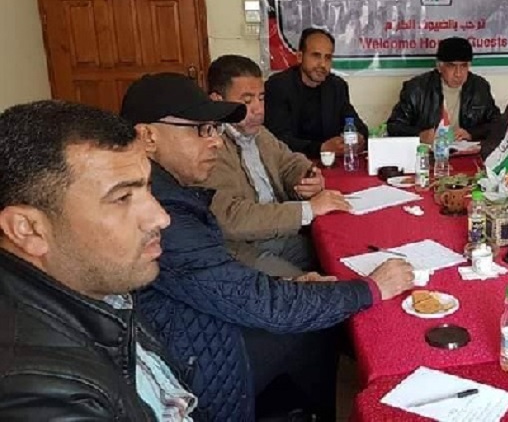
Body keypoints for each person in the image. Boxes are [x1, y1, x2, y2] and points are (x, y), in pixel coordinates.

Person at [120, 73, 415, 421]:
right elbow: (260, 302)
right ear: (148, 136)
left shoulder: (168, 188)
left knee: (317, 293)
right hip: (199, 366)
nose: (215, 142)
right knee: (317, 325)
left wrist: (289, 285)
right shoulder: (159, 211)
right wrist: (370, 289)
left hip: (200, 322)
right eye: (201, 129)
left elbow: (218, 281)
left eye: (214, 129)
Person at [0, 100, 197, 420]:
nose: (161, 218)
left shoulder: (94, 283)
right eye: (122, 197)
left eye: (148, 188)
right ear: (28, 229)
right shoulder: (35, 393)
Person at [205, 55, 351, 276]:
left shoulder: (258, 133)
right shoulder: (209, 145)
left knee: (343, 250)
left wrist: (307, 177)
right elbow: (232, 217)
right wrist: (308, 209)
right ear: (218, 101)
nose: (258, 109)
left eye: (261, 98)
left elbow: (289, 162)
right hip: (243, 249)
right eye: (246, 101)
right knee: (312, 287)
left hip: (281, 233)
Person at [265, 27, 368, 158]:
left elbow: (356, 125)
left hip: (330, 163)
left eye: (328, 57)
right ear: (300, 57)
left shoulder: (337, 86)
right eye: (316, 56)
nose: (322, 64)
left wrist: (359, 138)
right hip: (292, 164)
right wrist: (321, 148)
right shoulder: (278, 86)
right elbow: (277, 139)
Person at [386, 37, 501, 144]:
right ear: (439, 66)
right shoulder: (417, 89)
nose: (458, 73)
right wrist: (420, 135)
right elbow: (394, 126)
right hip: (430, 153)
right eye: (452, 66)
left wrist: (471, 134)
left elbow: (498, 123)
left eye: (463, 66)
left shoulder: (479, 87)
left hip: (466, 152)